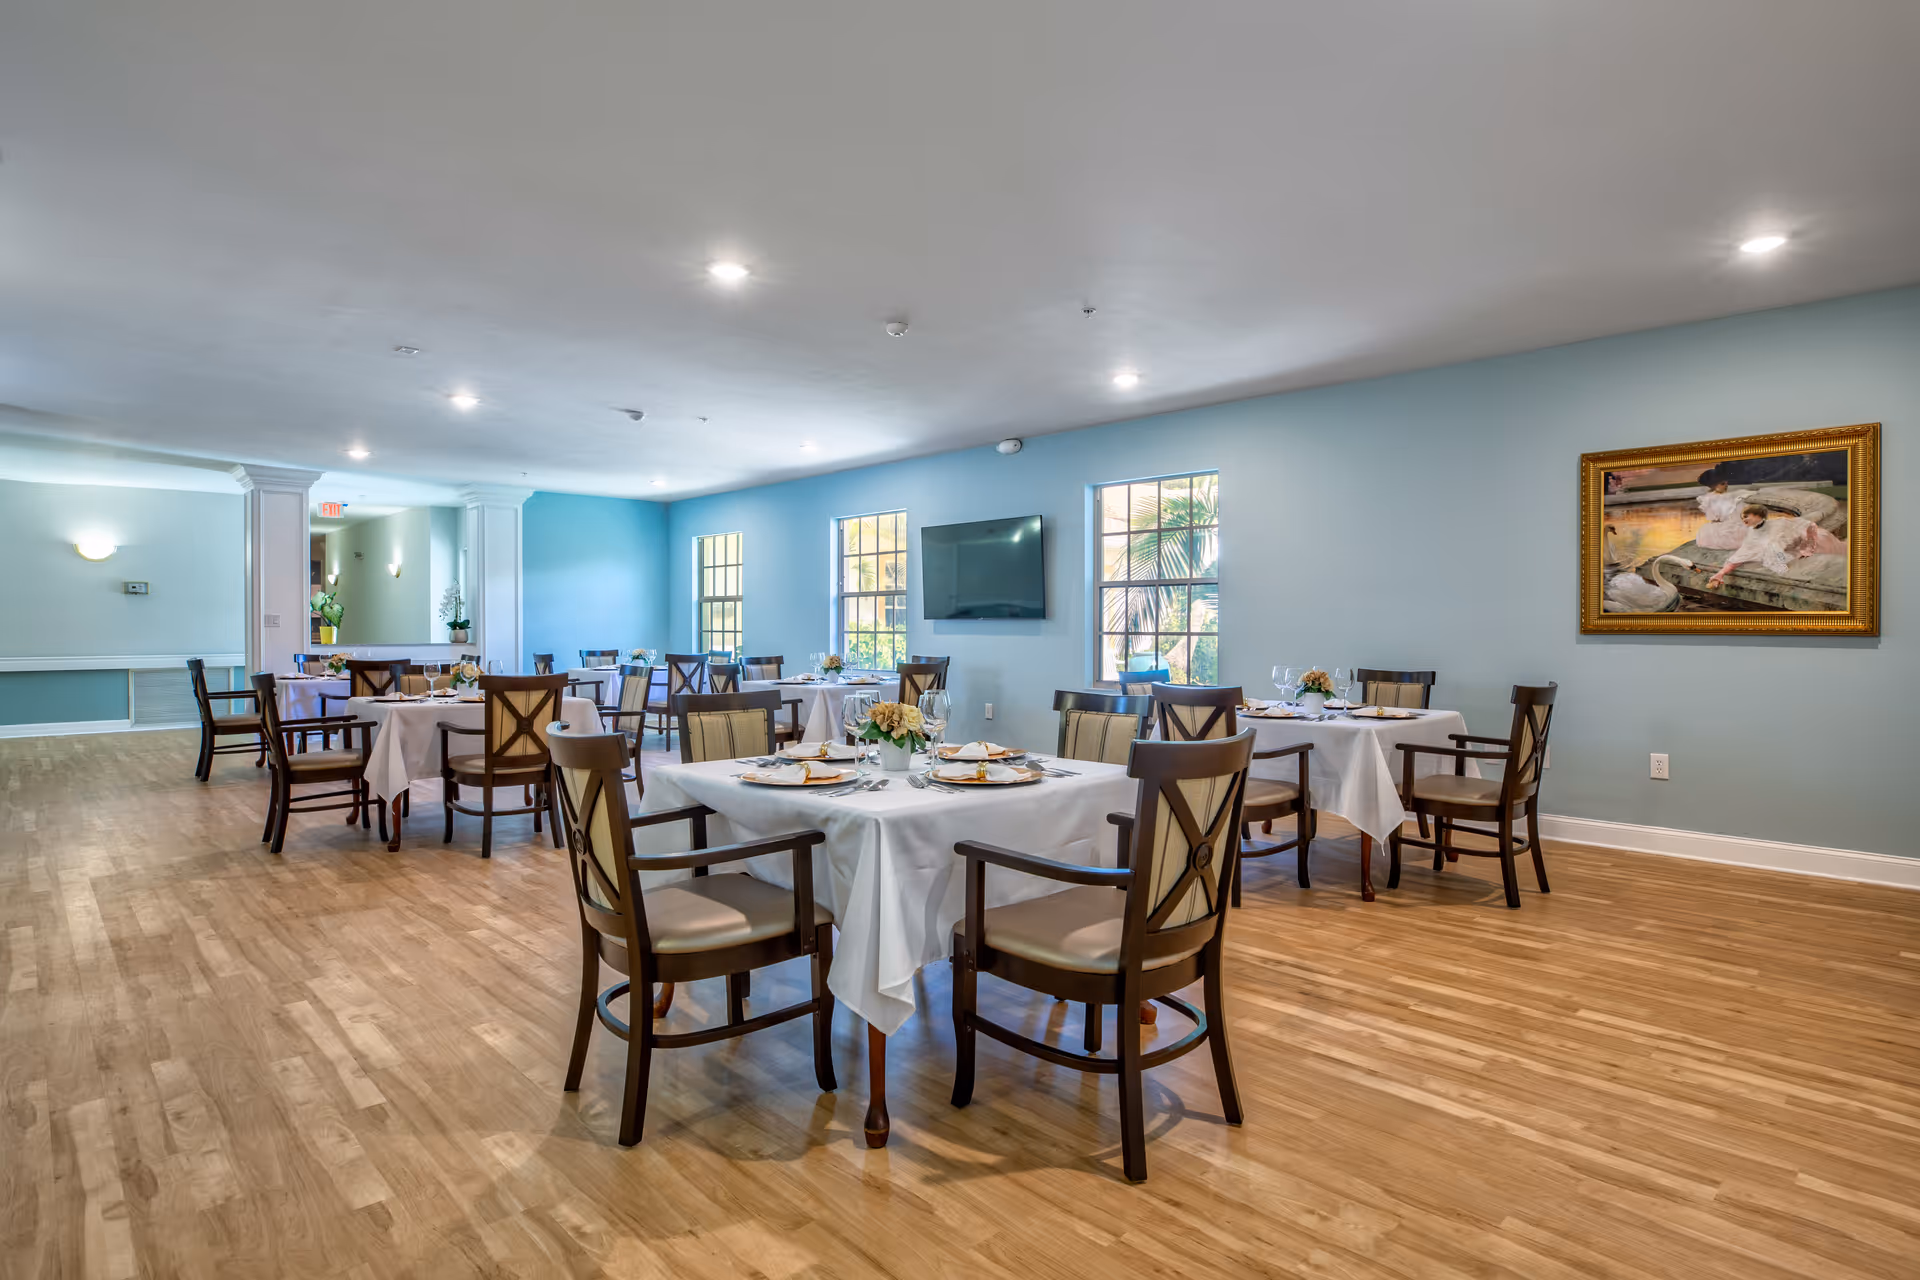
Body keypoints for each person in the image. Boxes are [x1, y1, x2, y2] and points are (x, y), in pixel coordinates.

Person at [1708, 504, 1846, 586]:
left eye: (1747, 516)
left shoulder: (1780, 523)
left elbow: (1810, 525)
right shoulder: (1752, 534)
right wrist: (1720, 574)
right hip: (1792, 553)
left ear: (1759, 516)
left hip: (1819, 543)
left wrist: (1808, 546)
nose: (1744, 519)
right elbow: (1740, 556)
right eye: (1742, 517)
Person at [1694, 479, 1758, 550]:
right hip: (1721, 523)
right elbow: (1715, 518)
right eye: (1723, 484)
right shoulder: (1710, 498)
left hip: (1731, 521)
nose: (1725, 486)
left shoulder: (1728, 495)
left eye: (1726, 484)